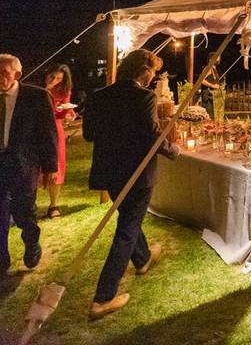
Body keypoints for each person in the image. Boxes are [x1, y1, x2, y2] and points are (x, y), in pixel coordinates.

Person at [83, 49, 180, 319]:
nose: (154, 78)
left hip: (110, 172)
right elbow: (151, 136)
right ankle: (103, 298)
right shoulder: (145, 96)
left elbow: (89, 134)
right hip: (137, 173)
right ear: (144, 70)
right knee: (127, 229)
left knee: (129, 217)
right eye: (154, 72)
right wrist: (173, 150)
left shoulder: (98, 96)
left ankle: (143, 258)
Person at [0, 54, 58, 278]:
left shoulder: (37, 96)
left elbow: (48, 133)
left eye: (5, 73)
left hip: (23, 163)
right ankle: (2, 259)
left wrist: (50, 167)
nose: (1, 78)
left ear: (17, 74)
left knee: (24, 212)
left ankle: (32, 243)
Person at [44, 64, 76, 218]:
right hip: (36, 128)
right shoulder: (36, 88)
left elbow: (66, 110)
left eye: (59, 79)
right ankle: (28, 203)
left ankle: (53, 205)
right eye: (53, 77)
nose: (56, 81)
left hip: (55, 129)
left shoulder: (64, 90)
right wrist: (47, 86)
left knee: (56, 165)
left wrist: (69, 113)